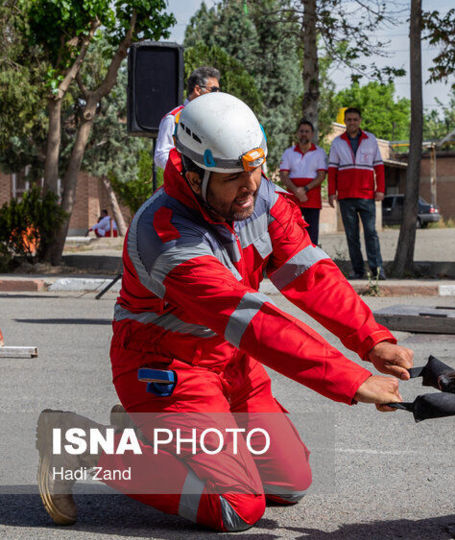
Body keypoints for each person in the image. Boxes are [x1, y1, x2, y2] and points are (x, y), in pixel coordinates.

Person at [36, 93, 414, 531]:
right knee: (237, 505)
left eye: (256, 168)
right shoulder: (165, 234)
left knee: (290, 483)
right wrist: (352, 380)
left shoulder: (259, 200)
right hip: (169, 371)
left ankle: (155, 438)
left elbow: (311, 275)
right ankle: (77, 443)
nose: (251, 184)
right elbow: (252, 321)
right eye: (234, 175)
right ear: (195, 175)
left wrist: (373, 339)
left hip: (233, 368)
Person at [327, 107, 385, 279]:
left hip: (367, 195)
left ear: (360, 121)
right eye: (349, 119)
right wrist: (331, 193)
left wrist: (380, 189)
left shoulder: (371, 140)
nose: (352, 122)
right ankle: (358, 270)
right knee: (352, 236)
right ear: (345, 121)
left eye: (355, 119)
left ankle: (377, 270)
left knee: (371, 233)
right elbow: (332, 170)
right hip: (345, 196)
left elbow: (379, 167)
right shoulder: (337, 142)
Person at [154, 66, 221, 172]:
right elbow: (161, 155)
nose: (217, 94)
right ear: (198, 90)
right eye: (213, 90)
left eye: (218, 90)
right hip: (185, 183)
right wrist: (187, 169)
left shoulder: (216, 117)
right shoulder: (174, 118)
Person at [278, 120, 327, 245]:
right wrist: (296, 191)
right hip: (293, 200)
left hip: (312, 199)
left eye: (307, 131)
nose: (304, 134)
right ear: (297, 134)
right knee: (292, 233)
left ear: (312, 134)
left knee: (312, 235)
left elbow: (321, 176)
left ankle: (312, 263)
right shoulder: (288, 152)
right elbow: (283, 175)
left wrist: (304, 190)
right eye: (301, 131)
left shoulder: (320, 152)